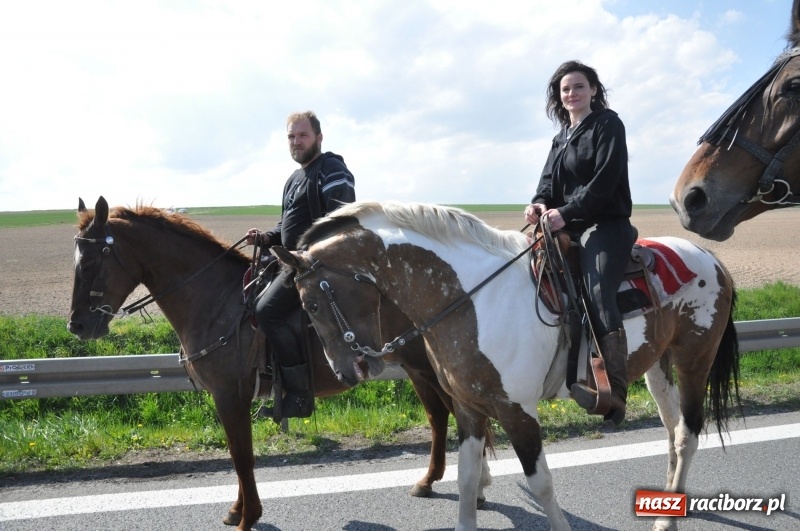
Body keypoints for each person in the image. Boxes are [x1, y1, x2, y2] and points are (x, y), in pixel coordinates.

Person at [523, 60, 635, 426]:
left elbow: (605, 181)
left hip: (605, 223)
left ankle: (615, 391)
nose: (572, 94)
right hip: (568, 223)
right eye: (565, 89)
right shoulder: (560, 138)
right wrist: (538, 203)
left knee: (598, 293)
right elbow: (546, 184)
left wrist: (566, 213)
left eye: (579, 87)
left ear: (593, 90)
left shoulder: (607, 124)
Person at [246, 111, 355, 419]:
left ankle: (299, 396)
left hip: (316, 265)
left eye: (302, 135)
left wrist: (308, 256)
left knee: (267, 310)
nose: (296, 142)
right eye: (291, 137)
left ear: (319, 138)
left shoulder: (331, 168)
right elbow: (287, 226)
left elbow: (341, 222)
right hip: (294, 261)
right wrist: (265, 237)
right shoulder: (294, 179)